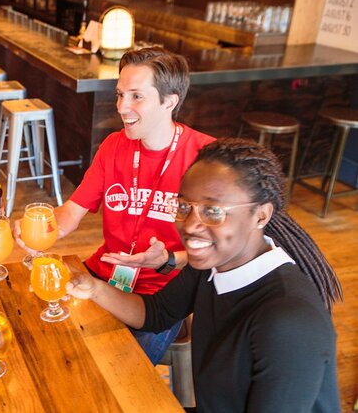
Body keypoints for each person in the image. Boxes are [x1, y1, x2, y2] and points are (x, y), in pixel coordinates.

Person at [67, 138, 342, 412]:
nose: (190, 226)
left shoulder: (289, 321)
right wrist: (93, 288)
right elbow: (155, 314)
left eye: (213, 211)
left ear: (261, 216)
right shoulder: (214, 265)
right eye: (185, 207)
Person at [14, 47, 214, 364]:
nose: (122, 107)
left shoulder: (206, 158)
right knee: (40, 338)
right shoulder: (114, 146)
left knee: (110, 371)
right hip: (106, 272)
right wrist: (41, 228)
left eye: (136, 96)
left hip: (161, 295)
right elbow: (71, 212)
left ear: (169, 101)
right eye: (120, 94)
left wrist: (166, 260)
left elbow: (221, 249)